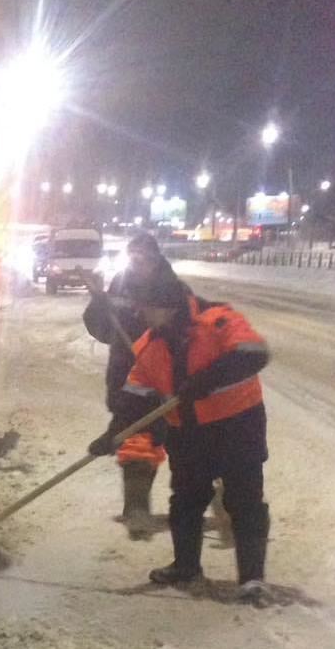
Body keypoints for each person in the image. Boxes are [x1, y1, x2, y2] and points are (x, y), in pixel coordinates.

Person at [88, 267, 271, 601]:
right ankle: (186, 567)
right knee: (186, 500)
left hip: (238, 427)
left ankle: (252, 579)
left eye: (144, 306)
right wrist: (112, 435)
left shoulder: (217, 320)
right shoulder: (150, 346)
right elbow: (134, 398)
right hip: (188, 433)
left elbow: (254, 354)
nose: (139, 313)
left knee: (244, 501)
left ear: (165, 305)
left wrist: (207, 379)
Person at [82, 232, 187, 538]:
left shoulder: (173, 289)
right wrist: (99, 304)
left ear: (156, 258)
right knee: (135, 437)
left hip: (163, 376)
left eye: (145, 256)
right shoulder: (119, 284)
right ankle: (138, 508)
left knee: (187, 444)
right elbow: (102, 329)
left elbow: (187, 332)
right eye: (134, 255)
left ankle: (221, 502)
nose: (139, 262)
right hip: (125, 372)